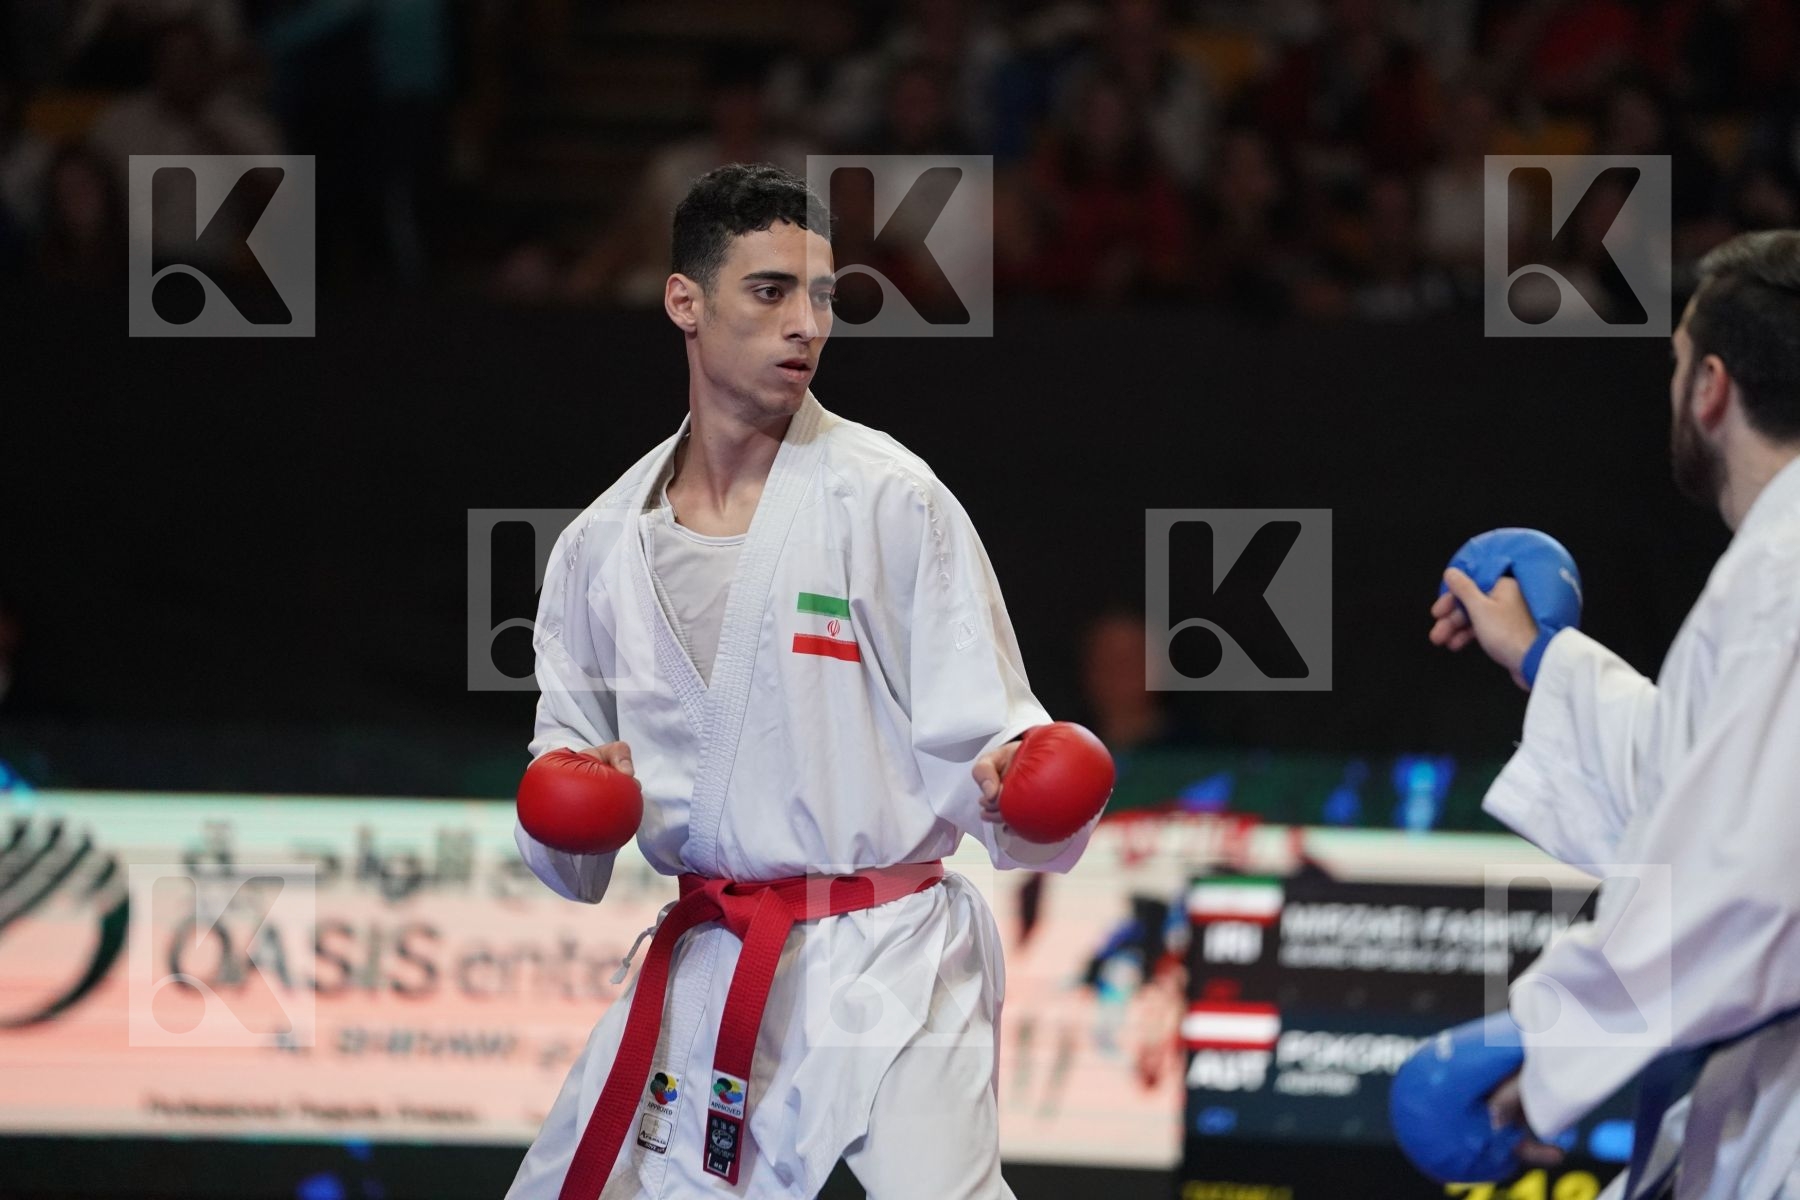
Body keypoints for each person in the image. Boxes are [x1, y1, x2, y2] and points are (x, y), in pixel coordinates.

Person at [506, 162, 1099, 1200]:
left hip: (897, 952)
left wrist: (1015, 780)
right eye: (770, 291)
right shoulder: (599, 547)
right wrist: (570, 813)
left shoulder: (890, 501)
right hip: (716, 956)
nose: (806, 325)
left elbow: (992, 743)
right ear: (684, 301)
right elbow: (564, 823)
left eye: (823, 297)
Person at [1428, 229, 1800, 1198]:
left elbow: (1750, 878)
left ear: (1712, 387)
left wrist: (1549, 1044)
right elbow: (1712, 790)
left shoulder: (1782, 573)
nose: (1672, 389)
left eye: (1675, 363)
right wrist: (1542, 658)